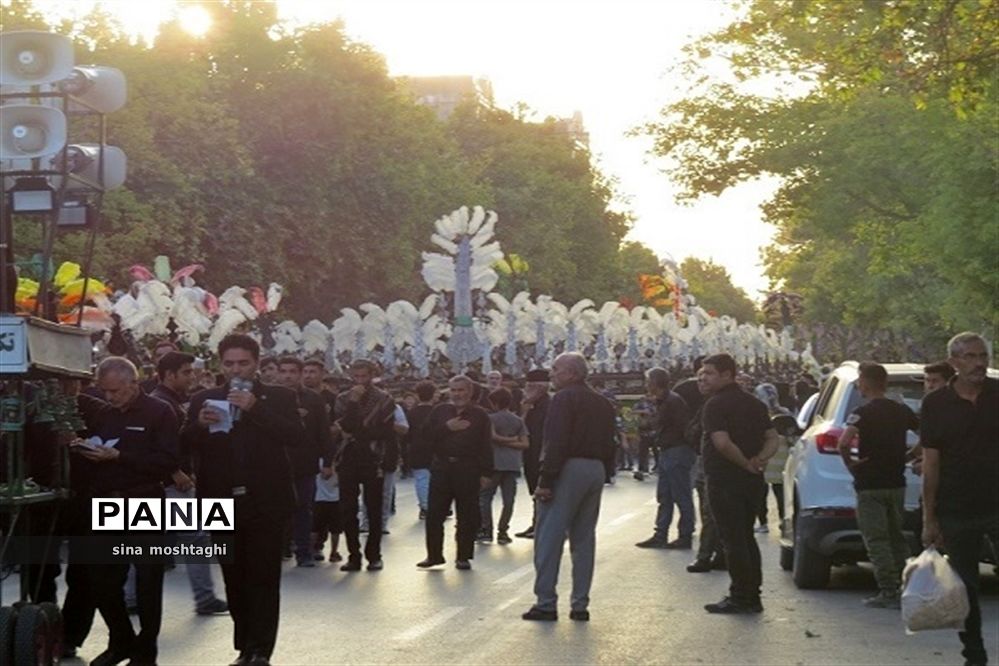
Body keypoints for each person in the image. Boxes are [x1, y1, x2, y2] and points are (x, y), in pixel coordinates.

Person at [182, 334, 305, 666]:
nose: (236, 369)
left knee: (263, 577)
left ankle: (261, 649)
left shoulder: (279, 397)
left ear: (256, 363)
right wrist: (198, 425)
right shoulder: (204, 399)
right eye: (230, 363)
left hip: (266, 499)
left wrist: (255, 408)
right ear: (220, 364)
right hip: (219, 500)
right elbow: (183, 444)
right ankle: (244, 645)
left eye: (243, 363)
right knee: (233, 577)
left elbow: (295, 436)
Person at [79, 357, 179, 666]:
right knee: (101, 580)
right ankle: (120, 640)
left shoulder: (160, 412)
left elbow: (166, 461)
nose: (110, 397)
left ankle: (145, 652)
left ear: (133, 384)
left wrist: (120, 456)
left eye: (116, 391)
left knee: (148, 582)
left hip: (144, 501)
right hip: (108, 503)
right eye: (105, 391)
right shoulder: (105, 415)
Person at [921, 332, 998, 666]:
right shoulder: (936, 404)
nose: (979, 363)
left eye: (982, 355)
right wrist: (929, 517)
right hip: (957, 509)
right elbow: (931, 463)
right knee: (965, 588)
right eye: (969, 356)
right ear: (954, 362)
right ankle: (975, 654)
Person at [522, 352, 616, 622]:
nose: (551, 374)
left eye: (556, 369)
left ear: (572, 374)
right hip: (595, 468)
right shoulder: (602, 401)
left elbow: (556, 440)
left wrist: (545, 480)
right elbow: (611, 441)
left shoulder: (563, 399)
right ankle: (580, 603)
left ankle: (546, 602)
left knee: (549, 536)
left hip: (568, 468)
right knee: (584, 538)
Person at [149, 351, 228, 616]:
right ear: (169, 375)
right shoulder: (161, 403)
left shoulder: (175, 401)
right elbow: (159, 444)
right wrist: (175, 472)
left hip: (171, 481)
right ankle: (205, 598)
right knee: (194, 538)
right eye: (186, 372)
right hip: (171, 483)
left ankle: (132, 597)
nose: (191, 376)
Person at [700, 353, 779, 614]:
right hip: (752, 481)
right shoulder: (755, 404)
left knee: (733, 539)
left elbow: (721, 443)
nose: (704, 377)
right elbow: (772, 438)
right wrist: (759, 461)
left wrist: (745, 462)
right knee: (746, 536)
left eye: (710, 373)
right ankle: (752, 593)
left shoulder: (715, 405)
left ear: (727, 374)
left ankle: (741, 596)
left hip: (725, 480)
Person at [836, 362, 918, 608]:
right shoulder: (902, 410)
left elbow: (843, 442)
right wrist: (908, 456)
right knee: (896, 537)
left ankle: (888, 590)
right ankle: (908, 586)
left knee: (876, 539)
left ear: (867, 382)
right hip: (896, 483)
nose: (859, 385)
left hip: (869, 484)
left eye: (860, 380)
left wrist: (851, 464)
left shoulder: (862, 412)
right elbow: (928, 434)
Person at [418, 375, 493, 570]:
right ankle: (434, 555)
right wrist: (447, 428)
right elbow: (425, 436)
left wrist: (486, 472)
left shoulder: (480, 415)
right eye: (453, 390)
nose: (457, 394)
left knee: (466, 514)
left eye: (461, 390)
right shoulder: (440, 412)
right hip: (442, 467)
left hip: (468, 468)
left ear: (470, 392)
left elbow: (486, 445)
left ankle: (463, 556)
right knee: (435, 514)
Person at [333, 359, 397, 572]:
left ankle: (374, 554)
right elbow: (346, 425)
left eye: (364, 376)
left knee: (374, 508)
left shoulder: (384, 399)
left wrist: (357, 432)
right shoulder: (343, 399)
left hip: (373, 458)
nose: (360, 381)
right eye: (356, 376)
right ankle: (354, 555)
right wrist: (353, 403)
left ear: (372, 375)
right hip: (348, 458)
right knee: (348, 509)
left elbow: (385, 432)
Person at [277, 356, 334, 568]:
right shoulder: (269, 397)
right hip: (275, 463)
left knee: (303, 508)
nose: (288, 376)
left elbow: (323, 433)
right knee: (276, 509)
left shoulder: (314, 399)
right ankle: (280, 549)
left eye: (292, 371)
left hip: (305, 463)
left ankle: (304, 552)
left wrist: (328, 461)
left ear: (300, 374)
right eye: (283, 371)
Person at [636, 367, 693, 549]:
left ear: (654, 383)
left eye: (648, 381)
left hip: (676, 450)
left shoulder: (671, 402)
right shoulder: (664, 401)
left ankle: (684, 535)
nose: (646, 385)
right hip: (668, 450)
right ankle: (661, 533)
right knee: (665, 495)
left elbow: (678, 426)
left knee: (681, 495)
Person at [687, 368, 726, 573]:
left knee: (710, 512)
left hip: (711, 465)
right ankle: (720, 554)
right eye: (700, 379)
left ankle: (705, 556)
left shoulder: (713, 406)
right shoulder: (707, 404)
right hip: (708, 463)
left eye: (706, 378)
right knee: (713, 512)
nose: (701, 383)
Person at [478, 387, 529, 545]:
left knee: (485, 497)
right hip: (512, 464)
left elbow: (491, 437)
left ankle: (486, 529)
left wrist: (502, 441)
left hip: (493, 463)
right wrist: (513, 441)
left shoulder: (489, 419)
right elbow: (525, 444)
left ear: (494, 403)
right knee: (508, 500)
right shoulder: (518, 420)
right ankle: (503, 531)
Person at [515, 369, 551, 538]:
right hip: (530, 452)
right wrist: (526, 407)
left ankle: (543, 525)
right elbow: (519, 427)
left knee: (542, 489)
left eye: (530, 386)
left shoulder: (549, 404)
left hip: (542, 454)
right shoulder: (530, 404)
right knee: (533, 488)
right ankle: (536, 523)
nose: (526, 390)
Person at [752, 382, 791, 534]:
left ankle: (763, 523)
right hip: (782, 458)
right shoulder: (785, 413)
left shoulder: (756, 413)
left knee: (760, 493)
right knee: (780, 492)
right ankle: (783, 520)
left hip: (764, 456)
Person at [406, 381, 437, 520]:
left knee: (421, 479)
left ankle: (425, 507)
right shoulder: (437, 411)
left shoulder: (411, 413)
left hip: (416, 448)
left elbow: (407, 433)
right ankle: (439, 506)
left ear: (417, 395)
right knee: (437, 479)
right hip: (436, 449)